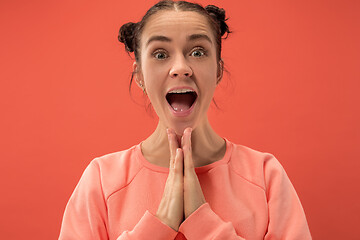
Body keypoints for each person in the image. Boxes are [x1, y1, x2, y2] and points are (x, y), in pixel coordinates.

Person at [59, 1, 312, 239]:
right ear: (140, 76)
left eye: (198, 52)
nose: (181, 67)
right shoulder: (101, 180)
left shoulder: (266, 176)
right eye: (160, 54)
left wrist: (202, 221)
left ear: (218, 70)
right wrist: (160, 224)